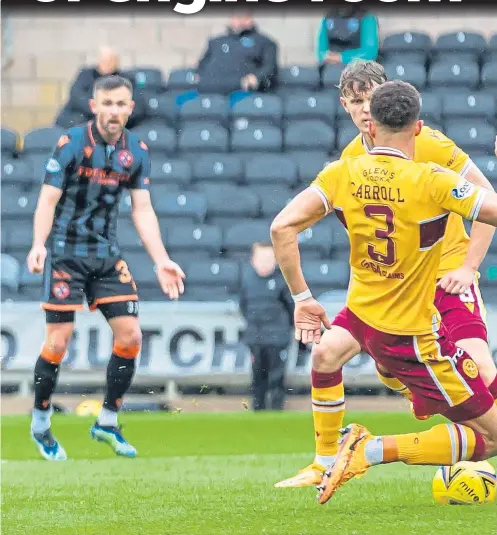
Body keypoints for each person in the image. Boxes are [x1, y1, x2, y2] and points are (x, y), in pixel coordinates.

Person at [270, 80, 497, 504]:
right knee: (490, 437)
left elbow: (281, 226)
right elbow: (491, 209)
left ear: (370, 127)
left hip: (367, 318)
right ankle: (369, 449)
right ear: (418, 128)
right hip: (412, 334)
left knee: (333, 354)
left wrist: (303, 299)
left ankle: (386, 408)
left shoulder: (342, 172)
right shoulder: (432, 180)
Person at [27, 75, 185, 461]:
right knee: (57, 343)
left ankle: (108, 421)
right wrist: (38, 246)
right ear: (95, 105)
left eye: (121, 104)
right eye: (108, 103)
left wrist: (161, 259)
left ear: (130, 108)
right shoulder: (71, 144)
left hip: (106, 254)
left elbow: (142, 210)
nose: (114, 111)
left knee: (130, 336)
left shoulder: (138, 152)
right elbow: (47, 200)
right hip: (65, 253)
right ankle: (41, 423)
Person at [239, 242, 294, 411]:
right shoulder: (247, 279)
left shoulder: (282, 280)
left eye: (268, 259)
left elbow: (291, 307)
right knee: (257, 376)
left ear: (276, 260)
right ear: (252, 260)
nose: (264, 263)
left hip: (278, 337)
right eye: (260, 259)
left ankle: (277, 410)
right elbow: (243, 305)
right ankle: (258, 410)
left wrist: (289, 329)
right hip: (255, 337)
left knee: (276, 376)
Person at [55, 46, 147, 129]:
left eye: (110, 60)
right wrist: (100, 111)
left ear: (116, 62)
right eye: (103, 60)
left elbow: (138, 105)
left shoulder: (126, 79)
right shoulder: (86, 75)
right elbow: (77, 96)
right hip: (84, 119)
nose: (106, 64)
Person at [194, 13, 278, 96]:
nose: (239, 20)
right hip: (208, 91)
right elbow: (202, 64)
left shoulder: (264, 42)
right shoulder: (216, 41)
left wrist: (256, 77)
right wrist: (200, 76)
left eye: (243, 16)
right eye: (236, 16)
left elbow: (270, 67)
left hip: (243, 93)